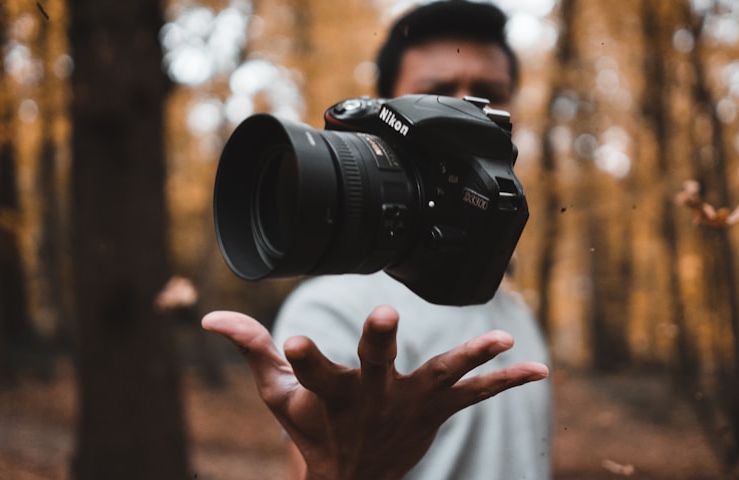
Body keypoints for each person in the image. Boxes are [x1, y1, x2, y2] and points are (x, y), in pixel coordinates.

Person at [203, 1, 553, 479]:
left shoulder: (508, 302)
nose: (467, 116)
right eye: (439, 95)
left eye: (487, 98)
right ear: (388, 109)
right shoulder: (336, 305)